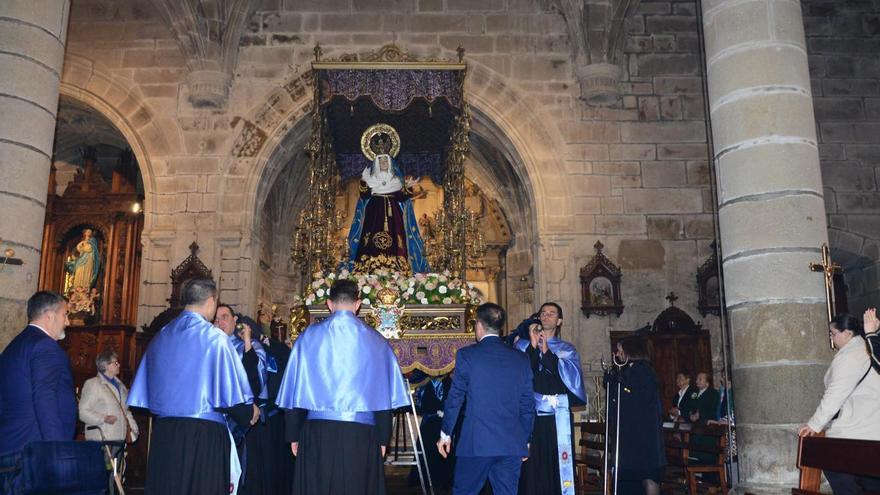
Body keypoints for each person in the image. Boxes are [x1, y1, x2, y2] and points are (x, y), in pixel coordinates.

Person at [276, 279, 411, 495]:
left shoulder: (308, 336)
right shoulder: (377, 341)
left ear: (329, 304)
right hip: (361, 434)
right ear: (358, 305)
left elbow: (293, 391)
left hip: (318, 432)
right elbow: (384, 398)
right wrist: (383, 438)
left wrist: (293, 434)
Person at [127, 278, 258, 495]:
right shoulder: (215, 338)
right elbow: (232, 394)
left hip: (165, 435)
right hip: (203, 438)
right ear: (210, 301)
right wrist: (248, 412)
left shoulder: (161, 335)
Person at [437, 303, 535, 495]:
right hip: (511, 443)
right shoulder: (521, 359)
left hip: (477, 443)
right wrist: (525, 441)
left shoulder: (468, 355)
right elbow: (528, 405)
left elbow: (455, 397)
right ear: (501, 327)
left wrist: (445, 434)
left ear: (479, 325)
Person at [0, 291, 76, 488]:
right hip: (34, 452)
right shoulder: (45, 346)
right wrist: (59, 453)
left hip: (10, 446)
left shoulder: (13, 347)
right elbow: (45, 400)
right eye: (65, 314)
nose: (67, 322)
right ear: (49, 316)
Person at [799, 313, 880, 494]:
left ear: (847, 333)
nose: (832, 338)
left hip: (856, 432)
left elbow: (835, 394)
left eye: (833, 333)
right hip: (872, 431)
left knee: (833, 465)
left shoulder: (850, 357)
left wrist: (814, 424)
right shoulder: (867, 350)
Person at [515, 302, 587, 495]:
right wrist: (532, 347)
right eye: (543, 313)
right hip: (529, 416)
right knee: (530, 466)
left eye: (551, 313)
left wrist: (546, 352)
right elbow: (517, 375)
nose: (546, 316)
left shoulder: (566, 349)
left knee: (557, 464)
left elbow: (570, 380)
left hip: (557, 418)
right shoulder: (521, 345)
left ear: (559, 321)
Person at [346, 126, 429, 274]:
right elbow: (364, 196)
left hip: (393, 215)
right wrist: (364, 182)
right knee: (369, 238)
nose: (384, 163)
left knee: (397, 239)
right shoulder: (370, 179)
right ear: (376, 163)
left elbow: (401, 197)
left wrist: (408, 188)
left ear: (390, 162)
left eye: (386, 160)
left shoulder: (396, 180)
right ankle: (368, 265)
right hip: (373, 213)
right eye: (381, 160)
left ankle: (398, 266)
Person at [214, 306, 274, 495]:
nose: (220, 322)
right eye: (216, 319)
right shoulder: (211, 346)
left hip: (244, 421)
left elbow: (256, 380)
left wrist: (247, 340)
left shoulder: (248, 345)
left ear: (235, 320)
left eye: (224, 317)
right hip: (217, 420)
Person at [608, 338, 665, 495]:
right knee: (631, 476)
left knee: (648, 475)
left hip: (644, 434)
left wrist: (624, 385)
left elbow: (642, 397)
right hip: (630, 433)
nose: (618, 354)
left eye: (621, 350)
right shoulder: (626, 371)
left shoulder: (644, 370)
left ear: (631, 352)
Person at [79, 349, 139, 481]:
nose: (118, 365)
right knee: (101, 477)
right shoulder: (93, 384)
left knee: (115, 478)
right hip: (102, 440)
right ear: (105, 365)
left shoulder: (121, 386)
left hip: (119, 439)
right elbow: (83, 412)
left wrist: (133, 429)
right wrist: (103, 419)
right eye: (115, 363)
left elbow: (126, 410)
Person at [410, 373, 454, 491]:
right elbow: (424, 404)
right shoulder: (431, 382)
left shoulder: (450, 382)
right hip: (432, 423)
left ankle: (444, 480)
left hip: (445, 423)